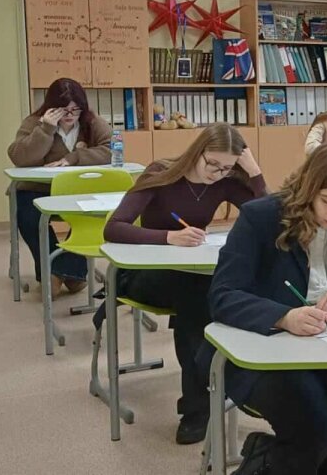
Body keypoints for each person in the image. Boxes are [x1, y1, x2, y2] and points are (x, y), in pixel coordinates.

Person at [205, 141, 327, 474]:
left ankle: (272, 464)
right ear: (309, 187)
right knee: (313, 427)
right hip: (262, 349)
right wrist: (283, 316)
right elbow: (223, 294)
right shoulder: (261, 217)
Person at [102, 123, 265, 444]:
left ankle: (202, 401)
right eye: (213, 164)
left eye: (227, 167)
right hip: (143, 275)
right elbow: (114, 228)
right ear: (197, 151)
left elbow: (267, 216)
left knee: (206, 296)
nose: (217, 173)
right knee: (199, 296)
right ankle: (218, 392)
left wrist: (255, 173)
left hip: (189, 279)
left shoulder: (225, 181)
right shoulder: (161, 172)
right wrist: (168, 237)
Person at [7, 77, 111, 295]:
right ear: (51, 107)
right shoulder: (34, 122)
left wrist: (74, 157)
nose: (70, 115)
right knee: (28, 215)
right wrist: (46, 130)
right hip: (37, 189)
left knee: (91, 214)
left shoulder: (92, 122)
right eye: (63, 110)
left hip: (78, 190)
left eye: (75, 109)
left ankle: (58, 273)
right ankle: (69, 274)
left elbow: (112, 150)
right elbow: (19, 157)